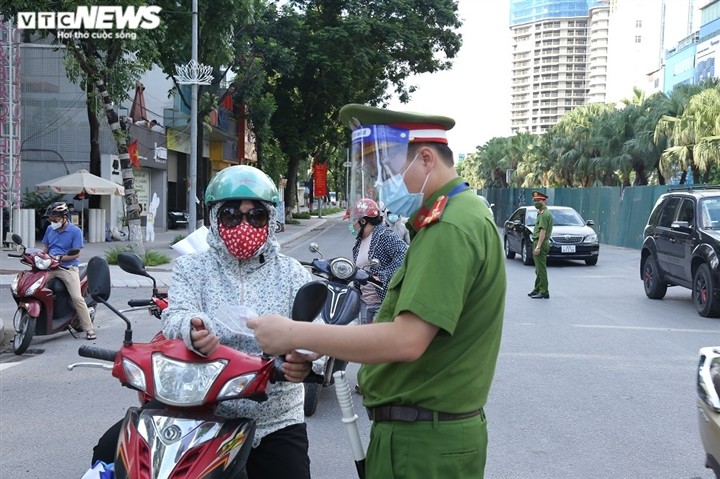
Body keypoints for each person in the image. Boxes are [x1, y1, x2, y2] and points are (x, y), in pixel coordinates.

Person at [248, 104, 506, 479]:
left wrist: (294, 333)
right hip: (424, 436)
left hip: (423, 445)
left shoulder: (448, 227)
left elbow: (406, 340)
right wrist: (323, 344)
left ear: (426, 159)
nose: (379, 184)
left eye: (385, 172)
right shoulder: (456, 216)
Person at [91, 165, 318, 478]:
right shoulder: (191, 267)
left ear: (271, 220)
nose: (244, 225)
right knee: (107, 452)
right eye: (231, 215)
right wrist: (193, 328)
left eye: (256, 216)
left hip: (272, 417)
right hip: (195, 408)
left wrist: (305, 362)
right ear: (214, 219)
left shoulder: (292, 274)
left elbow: (317, 334)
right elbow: (176, 314)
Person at [345, 198, 408, 324]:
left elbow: (404, 253)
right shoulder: (360, 241)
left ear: (363, 221)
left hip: (381, 303)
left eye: (353, 221)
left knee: (378, 341)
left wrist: (384, 275)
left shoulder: (384, 235)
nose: (351, 225)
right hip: (364, 302)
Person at [41, 201, 96, 340]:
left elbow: (76, 254)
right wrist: (41, 256)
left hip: (67, 267)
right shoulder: (50, 229)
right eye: (50, 219)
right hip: (49, 266)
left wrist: (60, 257)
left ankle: (89, 329)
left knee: (77, 297)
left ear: (65, 217)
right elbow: (46, 248)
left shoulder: (75, 231)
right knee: (31, 287)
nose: (52, 221)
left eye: (55, 219)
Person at [529, 190, 553, 299]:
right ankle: (537, 289)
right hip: (540, 242)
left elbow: (543, 231)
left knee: (541, 269)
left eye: (537, 200)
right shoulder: (541, 212)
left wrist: (538, 246)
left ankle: (544, 291)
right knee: (538, 269)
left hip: (541, 242)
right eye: (534, 200)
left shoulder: (544, 214)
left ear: (544, 201)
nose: (535, 202)